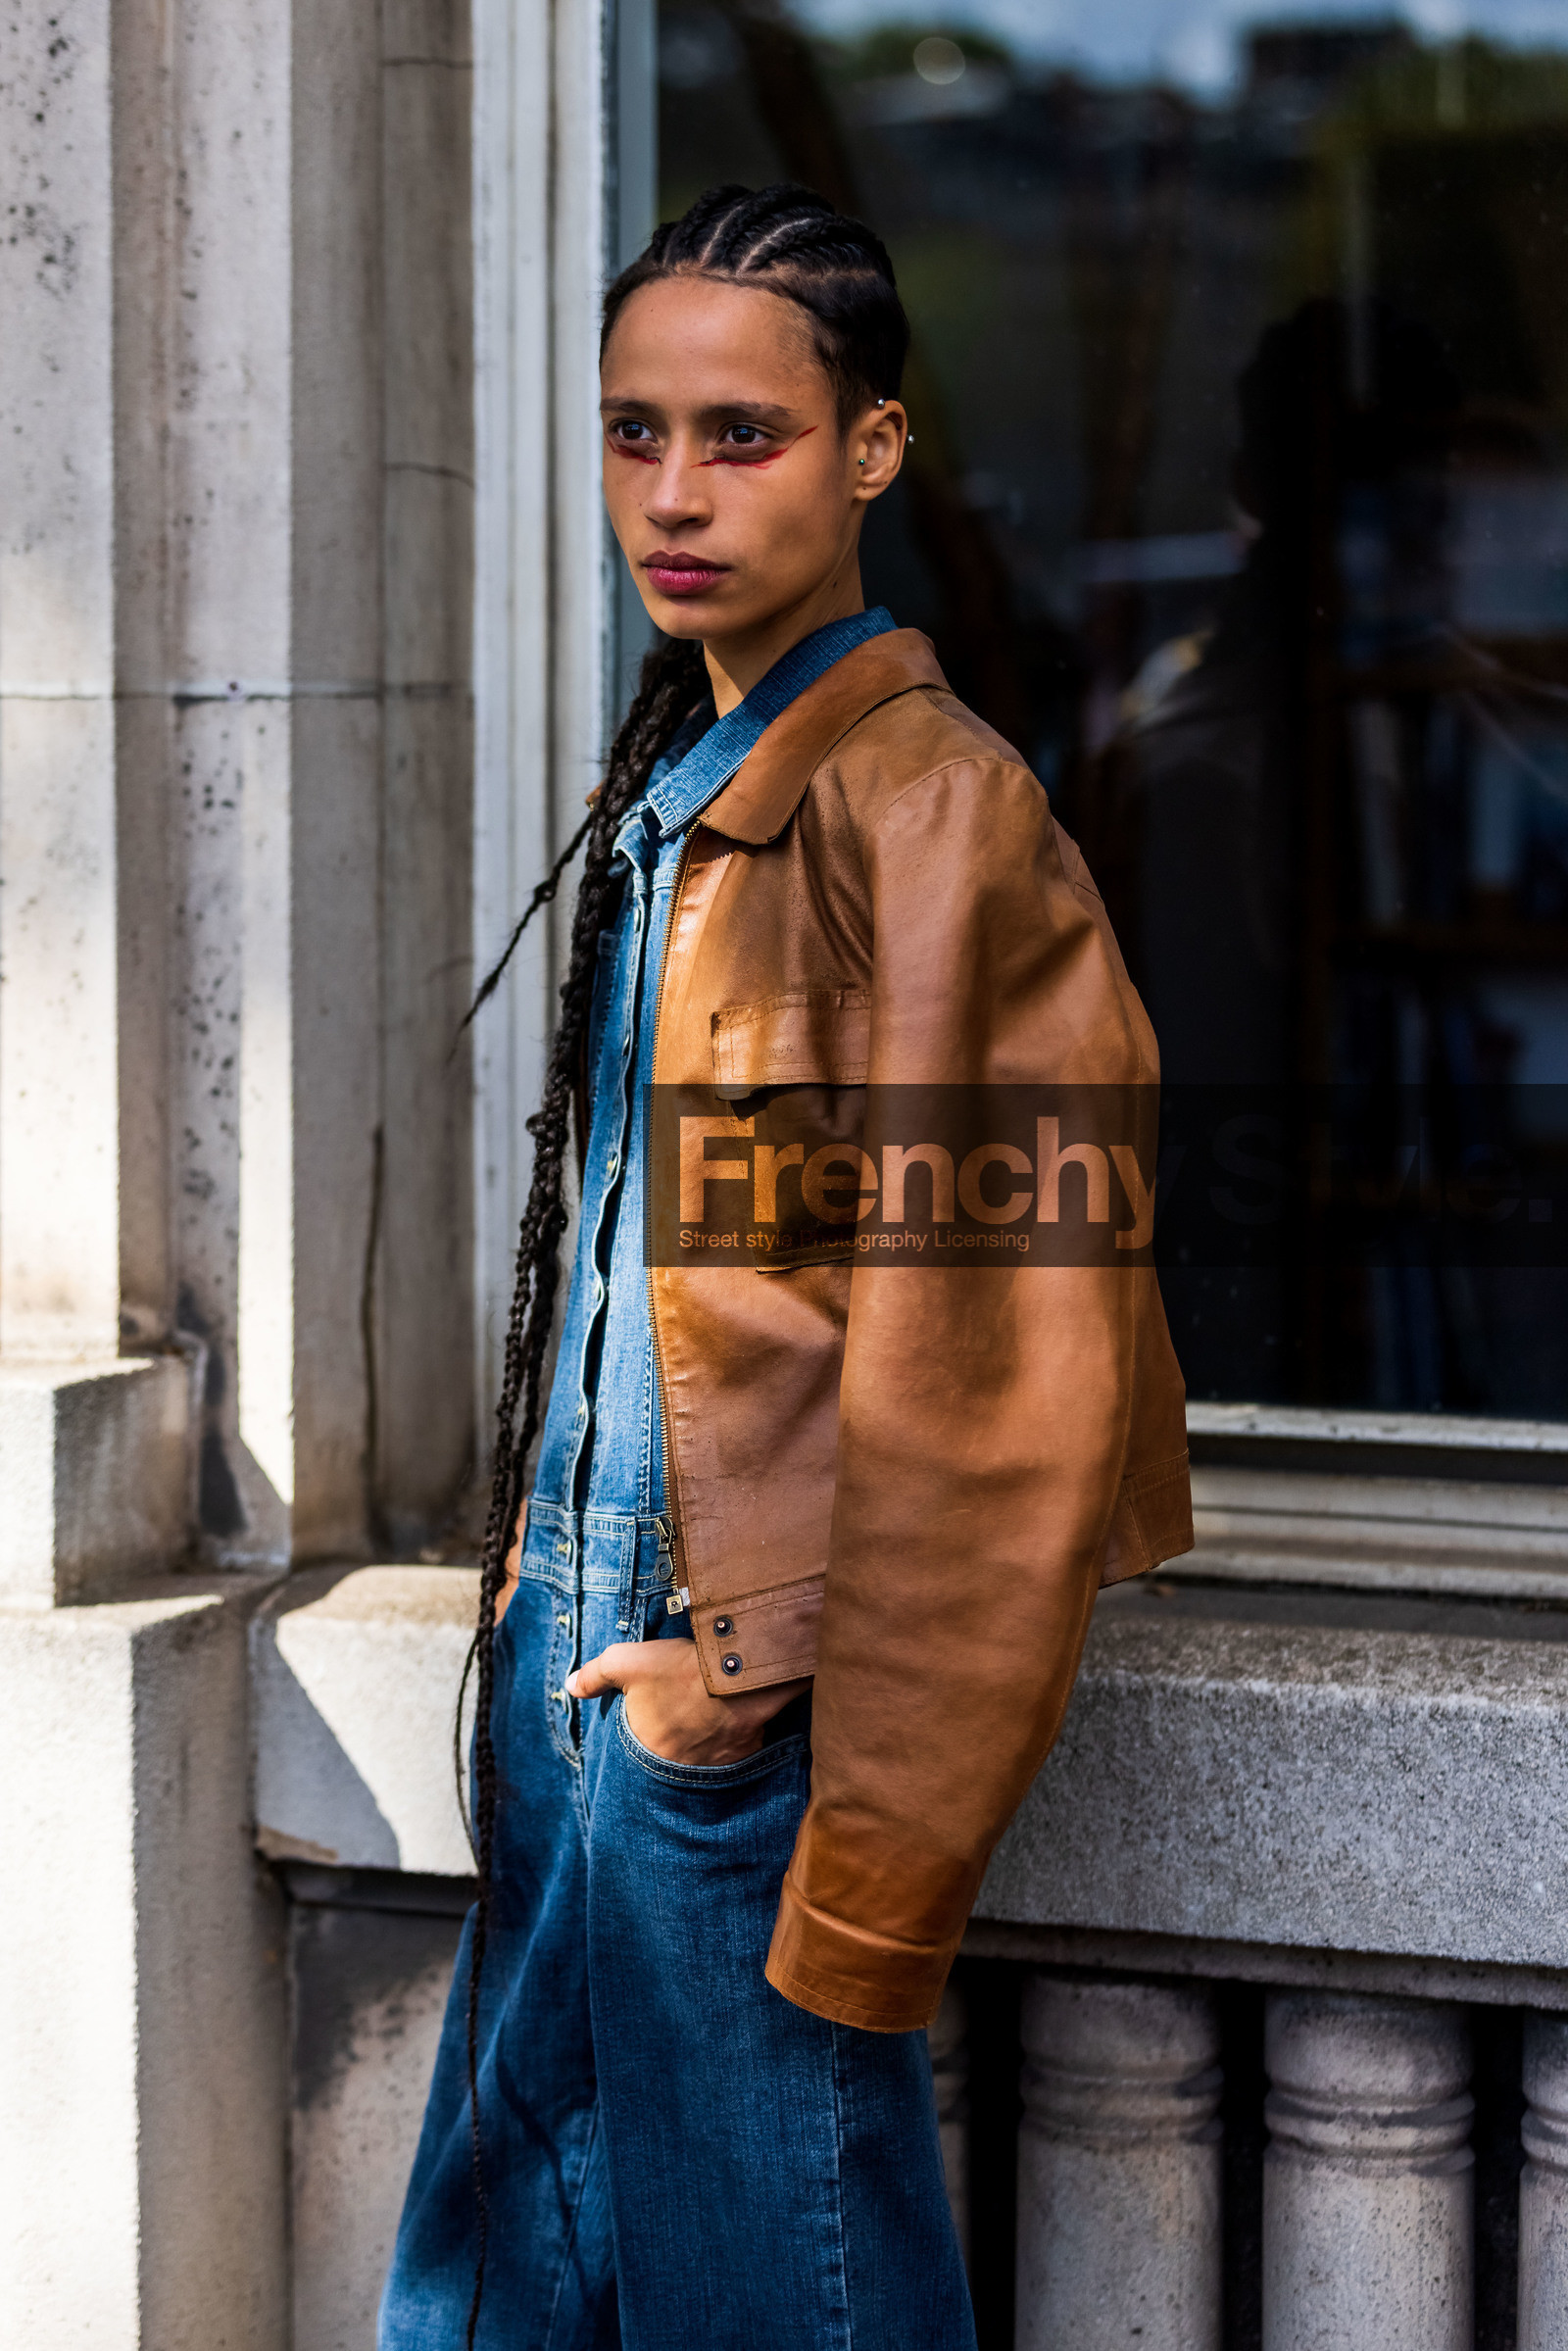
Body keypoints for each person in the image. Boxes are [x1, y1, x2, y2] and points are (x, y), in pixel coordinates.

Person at [379, 181, 1192, 2351]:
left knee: (772, 2299)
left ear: (871, 451)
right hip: (583, 1660)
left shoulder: (935, 824)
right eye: (634, 431)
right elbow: (750, 1269)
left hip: (716, 1706)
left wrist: (736, 1694)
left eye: (739, 433)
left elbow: (1007, 1376)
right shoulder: (702, 793)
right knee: (492, 2291)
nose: (673, 488)